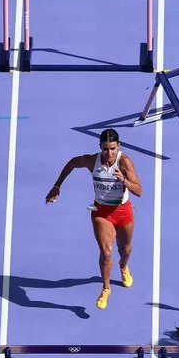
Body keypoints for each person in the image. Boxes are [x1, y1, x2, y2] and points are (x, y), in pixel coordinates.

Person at [45, 129, 142, 309]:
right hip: (101, 211)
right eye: (105, 149)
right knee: (106, 252)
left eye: (112, 149)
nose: (109, 153)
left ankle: (123, 266)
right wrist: (57, 185)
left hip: (123, 210)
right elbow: (73, 163)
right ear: (100, 147)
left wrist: (124, 181)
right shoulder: (93, 161)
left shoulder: (125, 162)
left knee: (125, 249)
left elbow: (139, 191)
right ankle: (106, 288)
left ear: (118, 146)